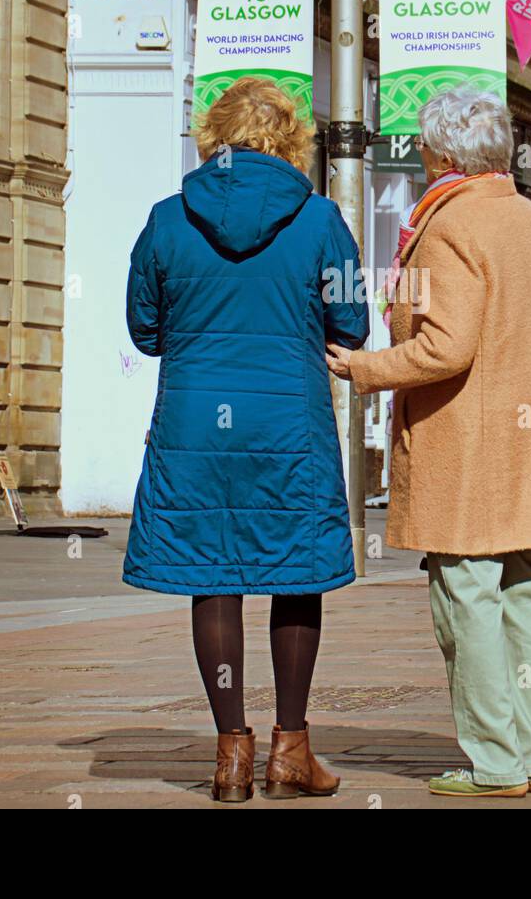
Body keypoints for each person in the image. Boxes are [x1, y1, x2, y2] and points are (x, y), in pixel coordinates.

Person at [326, 86, 531, 798]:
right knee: (526, 597)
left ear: (443, 151)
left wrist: (363, 369)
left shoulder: (448, 227)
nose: (415, 151)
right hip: (529, 450)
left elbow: (446, 347)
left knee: (466, 600)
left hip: (469, 448)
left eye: (420, 142)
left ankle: (495, 762)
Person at [124, 77, 369, 804]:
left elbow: (145, 330)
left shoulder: (168, 219)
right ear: (292, 140)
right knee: (296, 571)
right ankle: (291, 748)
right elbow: (351, 324)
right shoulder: (322, 219)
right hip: (288, 420)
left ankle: (231, 752)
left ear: (214, 136)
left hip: (197, 422)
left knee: (214, 572)